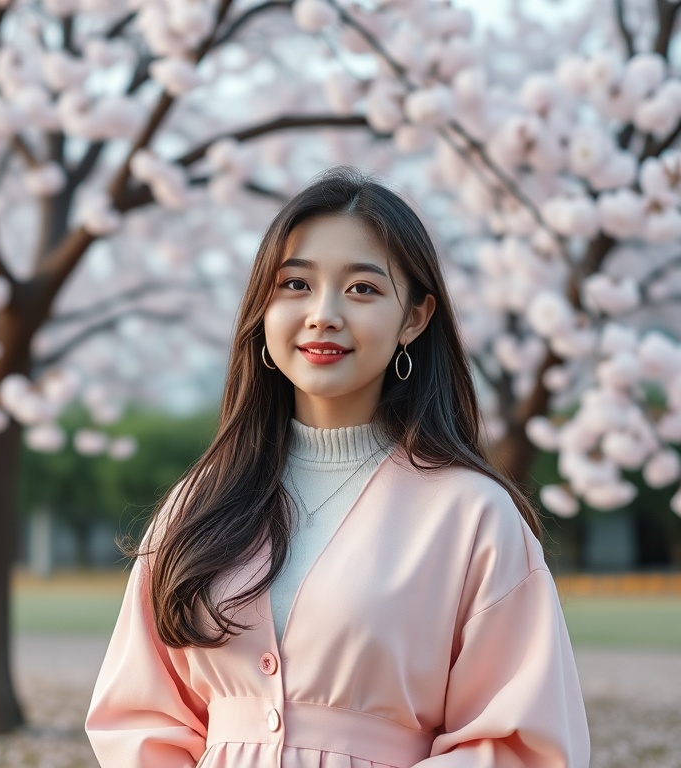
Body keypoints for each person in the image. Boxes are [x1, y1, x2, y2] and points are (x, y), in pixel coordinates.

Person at [85, 167, 590, 767]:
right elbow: (138, 720)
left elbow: (517, 744)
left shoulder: (473, 515)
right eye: (295, 285)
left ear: (415, 318)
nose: (323, 314)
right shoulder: (199, 504)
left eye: (362, 289)